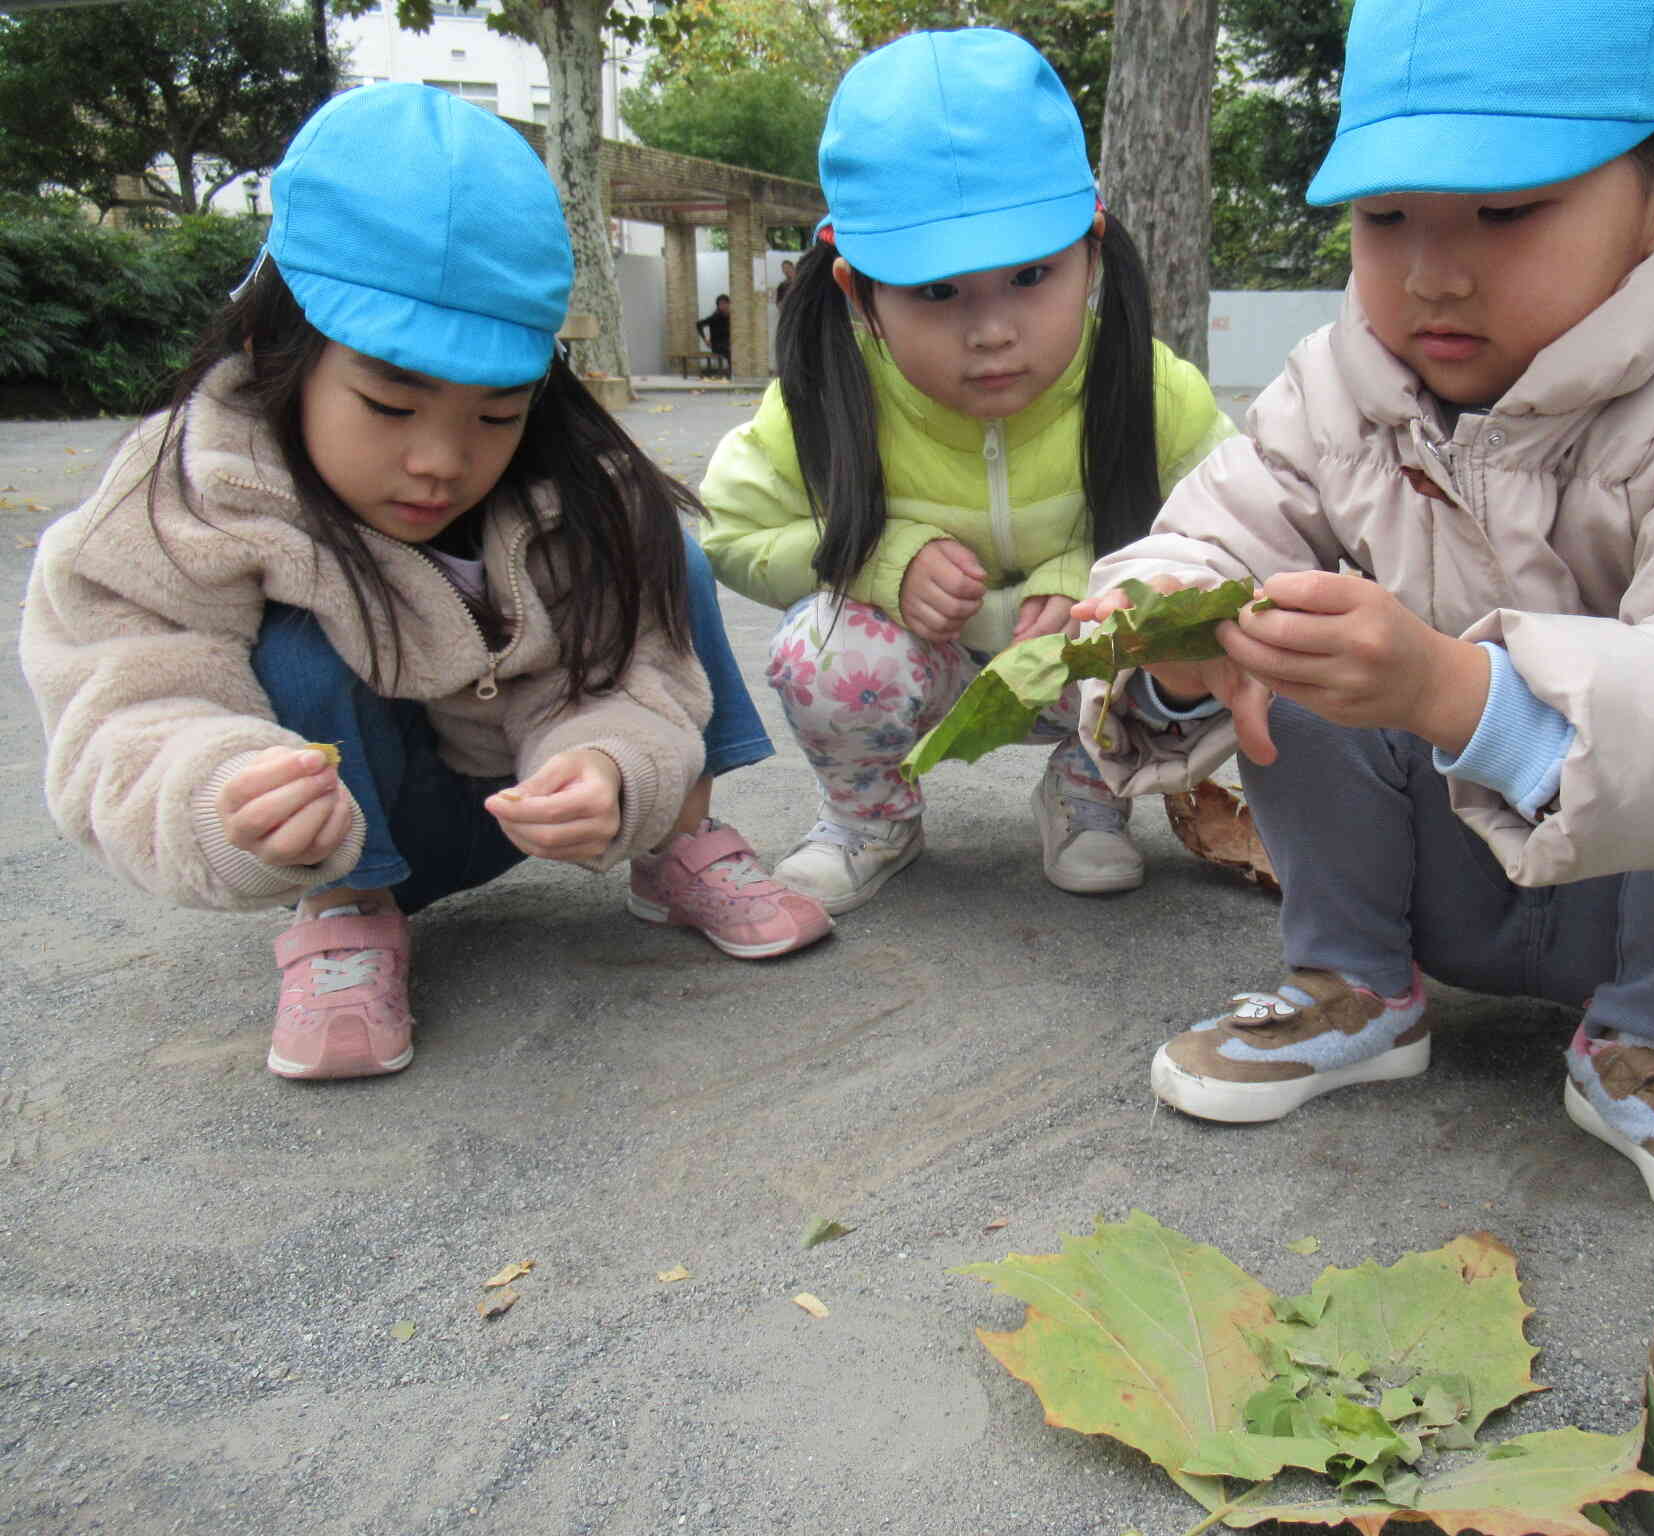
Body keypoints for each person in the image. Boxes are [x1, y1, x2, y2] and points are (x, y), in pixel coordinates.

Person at [1071, 0, 1654, 1239]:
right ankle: (1353, 987)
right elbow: (1204, 534)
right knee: (1278, 627)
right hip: (1441, 885)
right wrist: (1169, 646)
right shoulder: (1337, 383)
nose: (1430, 273)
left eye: (1506, 214)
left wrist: (1447, 692)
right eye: (1383, 218)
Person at [20, 84, 831, 1083]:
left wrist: (614, 769)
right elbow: (124, 700)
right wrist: (219, 795)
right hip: (336, 831)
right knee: (300, 638)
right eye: (390, 403)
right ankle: (347, 921)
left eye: (495, 415)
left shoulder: (570, 477)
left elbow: (637, 673)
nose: (441, 461)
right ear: (275, 345)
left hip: (545, 799)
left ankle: (677, 840)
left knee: (651, 530)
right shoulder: (183, 488)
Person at [699, 28, 1235, 914]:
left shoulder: (1144, 382)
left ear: (1092, 252)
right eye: (936, 291)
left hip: (1085, 677)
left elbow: (1235, 527)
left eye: (1031, 275)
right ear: (856, 289)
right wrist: (875, 558)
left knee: (1201, 628)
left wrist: (1098, 582)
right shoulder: (825, 398)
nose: (991, 331)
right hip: (921, 671)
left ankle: (1089, 791)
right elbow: (730, 530)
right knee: (822, 644)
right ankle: (872, 819)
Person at [696, 295, 732, 375]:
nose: (723, 306)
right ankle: (730, 372)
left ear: (729, 304)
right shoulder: (715, 317)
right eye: (721, 304)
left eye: (725, 303)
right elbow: (698, 324)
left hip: (728, 343)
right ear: (718, 306)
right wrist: (705, 339)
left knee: (736, 349)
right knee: (730, 350)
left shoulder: (732, 316)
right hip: (717, 344)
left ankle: (731, 371)